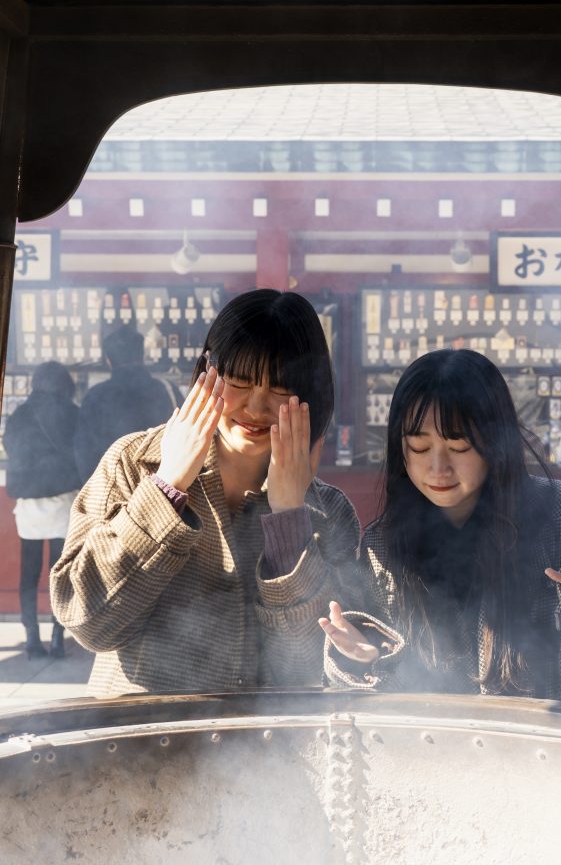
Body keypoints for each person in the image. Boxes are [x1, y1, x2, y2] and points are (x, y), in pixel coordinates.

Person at [50, 289, 360, 697]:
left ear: (311, 396)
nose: (256, 406)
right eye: (240, 381)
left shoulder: (328, 511)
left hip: (260, 752)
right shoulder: (133, 462)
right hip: (140, 741)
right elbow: (86, 620)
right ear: (206, 373)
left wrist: (288, 520)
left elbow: (309, 667)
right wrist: (166, 488)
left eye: (280, 388)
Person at [320, 348, 561, 709]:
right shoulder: (384, 544)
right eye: (419, 447)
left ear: (496, 445)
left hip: (558, 757)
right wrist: (369, 657)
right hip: (447, 754)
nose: (438, 468)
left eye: (458, 445)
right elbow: (390, 704)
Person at [4, 361, 81, 658]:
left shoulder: (21, 414)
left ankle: (32, 639)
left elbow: (11, 447)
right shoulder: (72, 413)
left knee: (29, 574)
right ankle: (59, 638)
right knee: (59, 573)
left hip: (30, 506)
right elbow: (81, 450)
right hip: (64, 501)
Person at [73, 323, 175, 484]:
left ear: (108, 360)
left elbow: (84, 453)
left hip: (114, 490)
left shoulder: (95, 397)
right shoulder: (168, 390)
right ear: (142, 355)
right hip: (163, 489)